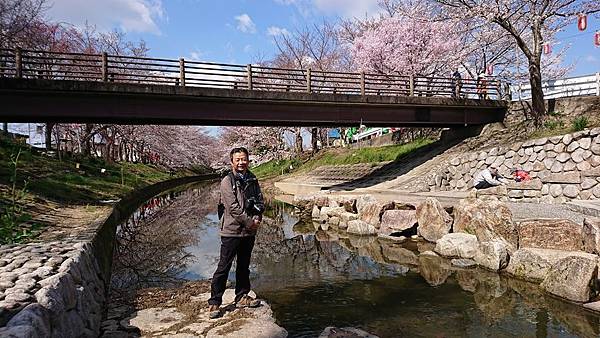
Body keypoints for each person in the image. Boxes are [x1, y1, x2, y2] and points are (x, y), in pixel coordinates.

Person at [208, 147, 264, 319]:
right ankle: (215, 302)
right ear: (232, 162)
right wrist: (250, 222)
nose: (241, 162)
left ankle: (242, 296)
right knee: (223, 267)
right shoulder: (227, 181)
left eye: (244, 159)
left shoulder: (252, 179)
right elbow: (233, 207)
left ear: (248, 160)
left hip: (248, 232)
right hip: (232, 231)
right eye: (238, 159)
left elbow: (260, 200)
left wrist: (258, 216)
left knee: (243, 266)